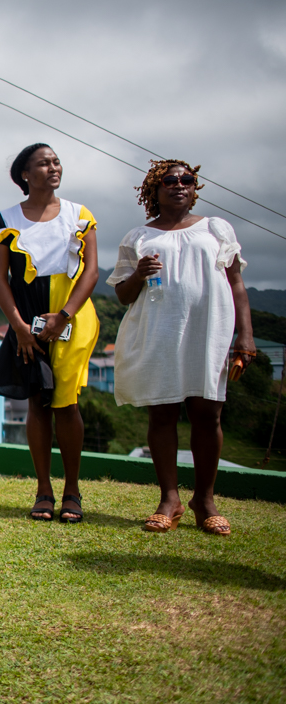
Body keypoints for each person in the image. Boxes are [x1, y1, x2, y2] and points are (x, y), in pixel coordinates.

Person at [108, 160, 253, 536]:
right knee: (163, 416)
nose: (179, 185)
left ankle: (204, 500)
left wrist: (245, 336)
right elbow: (123, 296)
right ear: (153, 191)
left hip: (209, 332)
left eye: (186, 180)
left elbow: (236, 284)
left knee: (208, 415)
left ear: (195, 187)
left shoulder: (216, 228)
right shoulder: (138, 236)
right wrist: (138, 273)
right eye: (169, 180)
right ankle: (168, 499)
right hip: (158, 334)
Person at [0, 143, 100, 523]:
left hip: (72, 315)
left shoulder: (79, 215)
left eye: (56, 162)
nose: (53, 167)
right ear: (24, 175)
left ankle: (72, 492)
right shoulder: (6, 219)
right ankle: (43, 491)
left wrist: (64, 316)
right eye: (43, 163)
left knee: (66, 401)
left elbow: (91, 272)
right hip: (27, 316)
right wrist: (18, 326)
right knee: (37, 398)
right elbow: (0, 280)